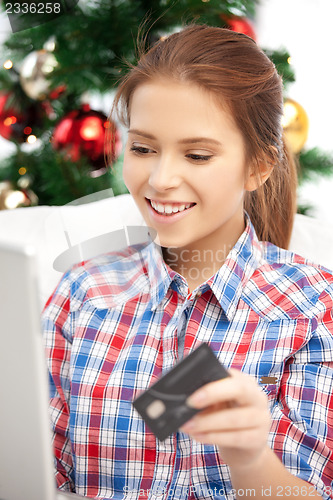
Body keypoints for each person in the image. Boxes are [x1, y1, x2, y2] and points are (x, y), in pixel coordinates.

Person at [42, 24, 333, 499]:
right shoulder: (83, 294)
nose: (161, 179)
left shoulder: (317, 308)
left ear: (258, 165)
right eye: (142, 148)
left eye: (197, 155)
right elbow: (35, 472)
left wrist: (252, 460)